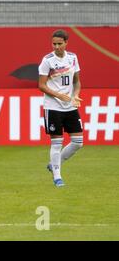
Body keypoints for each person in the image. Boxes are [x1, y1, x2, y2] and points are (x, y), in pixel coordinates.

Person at [38, 29, 83, 187]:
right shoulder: (47, 60)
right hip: (53, 107)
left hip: (70, 106)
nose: (56, 46)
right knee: (57, 142)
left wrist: (75, 95)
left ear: (66, 43)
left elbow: (76, 81)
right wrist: (58, 95)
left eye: (59, 43)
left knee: (78, 142)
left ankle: (53, 165)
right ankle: (57, 177)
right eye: (54, 43)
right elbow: (41, 85)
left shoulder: (73, 58)